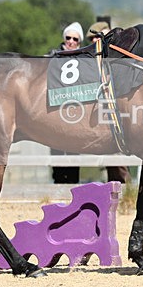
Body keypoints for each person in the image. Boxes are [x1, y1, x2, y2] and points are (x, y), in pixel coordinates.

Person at [86, 19, 132, 184]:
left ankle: (126, 193)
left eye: (98, 38)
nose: (95, 42)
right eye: (91, 40)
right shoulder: (91, 61)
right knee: (112, 165)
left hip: (118, 116)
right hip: (100, 118)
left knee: (119, 164)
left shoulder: (118, 57)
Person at [48, 22, 84, 184]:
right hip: (55, 111)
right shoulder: (52, 56)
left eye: (74, 39)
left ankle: (72, 187)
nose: (70, 41)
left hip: (75, 112)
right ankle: (57, 187)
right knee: (56, 150)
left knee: (73, 151)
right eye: (68, 38)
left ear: (79, 42)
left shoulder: (84, 59)